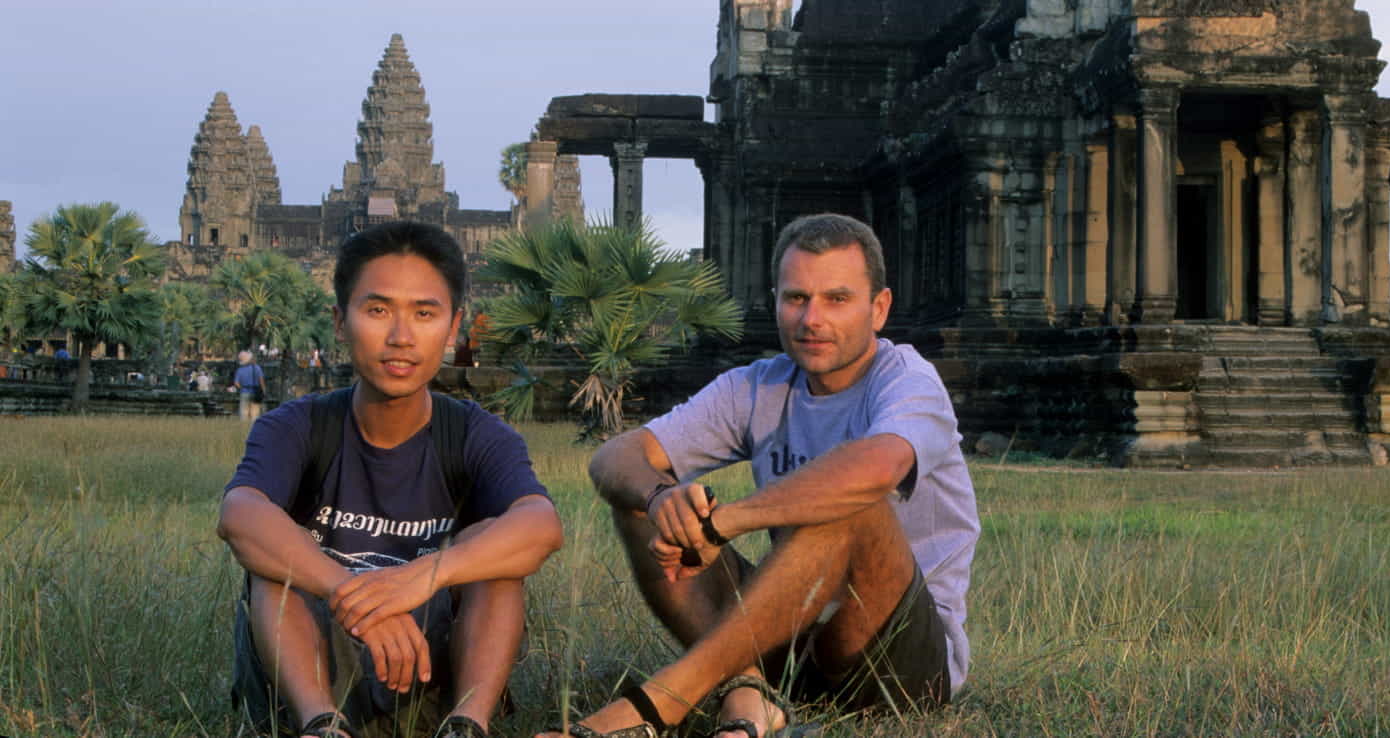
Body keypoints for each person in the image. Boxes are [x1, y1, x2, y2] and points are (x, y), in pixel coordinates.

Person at [539, 213, 978, 738]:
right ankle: (748, 695)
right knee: (645, 499)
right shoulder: (757, 386)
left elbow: (878, 468)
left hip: (894, 660)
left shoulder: (908, 381)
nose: (812, 318)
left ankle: (668, 698)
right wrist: (662, 501)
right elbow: (615, 455)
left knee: (849, 501)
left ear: (877, 308)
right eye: (796, 298)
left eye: (837, 299)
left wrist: (725, 522)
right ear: (776, 301)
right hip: (784, 638)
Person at [219, 221, 564, 738]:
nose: (401, 337)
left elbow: (541, 526)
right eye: (377, 310)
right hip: (311, 665)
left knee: (494, 553)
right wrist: (355, 594)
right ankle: (321, 728)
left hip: (427, 666)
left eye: (424, 314)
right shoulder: (295, 427)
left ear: (453, 329)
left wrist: (423, 577)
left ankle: (467, 726)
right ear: (340, 321)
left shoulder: (474, 433)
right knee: (275, 565)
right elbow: (240, 514)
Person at [235, 350, 268, 421]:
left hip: (244, 392)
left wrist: (242, 388)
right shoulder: (257, 368)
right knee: (255, 413)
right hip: (256, 392)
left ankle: (244, 428)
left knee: (244, 412)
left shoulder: (240, 370)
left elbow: (236, 384)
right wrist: (264, 391)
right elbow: (261, 380)